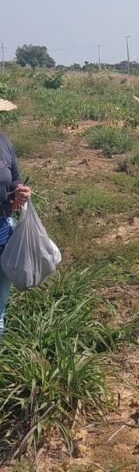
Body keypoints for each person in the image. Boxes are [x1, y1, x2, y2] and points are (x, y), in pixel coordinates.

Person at [0, 98, 32, 339]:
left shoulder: (4, 143)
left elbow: (15, 178)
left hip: (3, 227)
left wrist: (19, 190)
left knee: (0, 300)